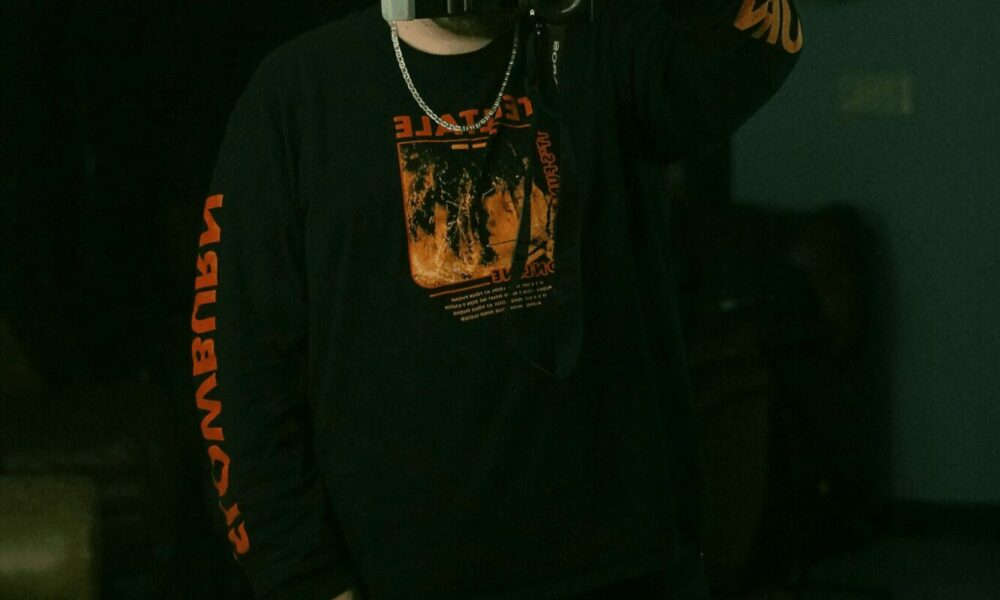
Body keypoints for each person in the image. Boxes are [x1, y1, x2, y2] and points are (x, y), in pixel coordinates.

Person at [188, 1, 803, 598]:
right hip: (402, 578)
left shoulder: (600, 41)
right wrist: (308, 581)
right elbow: (236, 366)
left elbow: (758, 47)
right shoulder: (299, 92)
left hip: (626, 565)